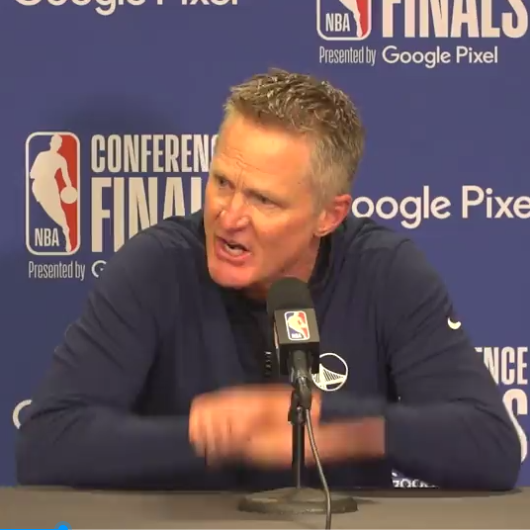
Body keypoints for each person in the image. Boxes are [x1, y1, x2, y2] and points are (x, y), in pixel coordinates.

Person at [16, 69, 521, 491]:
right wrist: (212, 437)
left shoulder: (385, 271)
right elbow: (46, 444)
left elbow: (491, 447)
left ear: (329, 215)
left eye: (263, 199)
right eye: (222, 182)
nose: (228, 216)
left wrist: (335, 427)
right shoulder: (157, 266)